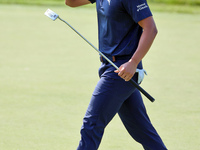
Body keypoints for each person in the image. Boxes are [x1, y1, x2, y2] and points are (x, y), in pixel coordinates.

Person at [65, 0, 167, 149]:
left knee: (92, 124)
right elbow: (71, 2)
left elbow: (151, 29)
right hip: (109, 66)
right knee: (142, 130)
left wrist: (133, 62)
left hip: (124, 69)